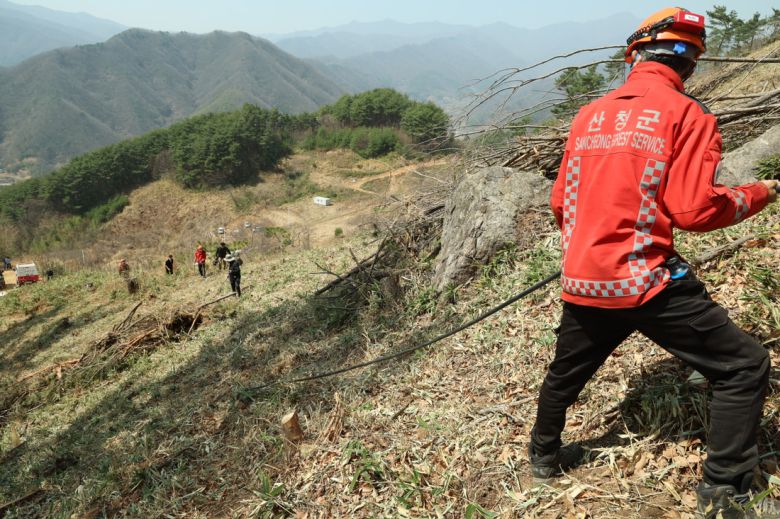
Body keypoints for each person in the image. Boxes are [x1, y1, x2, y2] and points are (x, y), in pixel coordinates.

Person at [528, 8, 780, 518]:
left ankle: (544, 455)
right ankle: (724, 492)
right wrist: (760, 192)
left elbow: (561, 204)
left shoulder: (587, 116)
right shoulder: (687, 115)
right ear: (688, 65)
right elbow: (695, 210)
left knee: (567, 369)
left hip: (585, 277)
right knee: (743, 367)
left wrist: (593, 243)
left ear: (634, 56)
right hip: (646, 279)